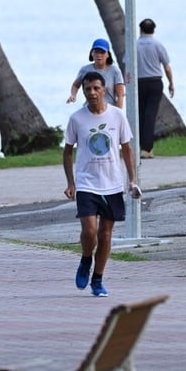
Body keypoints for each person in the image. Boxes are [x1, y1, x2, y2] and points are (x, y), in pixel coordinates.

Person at [63, 71, 138, 298]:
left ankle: (98, 279)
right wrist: (71, 182)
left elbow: (126, 149)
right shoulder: (77, 119)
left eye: (96, 88)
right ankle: (86, 259)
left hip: (112, 184)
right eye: (88, 89)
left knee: (105, 235)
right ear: (84, 92)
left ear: (104, 90)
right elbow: (67, 152)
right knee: (90, 230)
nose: (92, 93)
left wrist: (132, 179)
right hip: (87, 183)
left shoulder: (117, 116)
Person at [133, 18, 175, 159]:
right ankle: (147, 148)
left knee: (140, 114)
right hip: (155, 82)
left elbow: (128, 64)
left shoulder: (135, 45)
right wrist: (171, 83)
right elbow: (167, 66)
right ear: (154, 30)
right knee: (150, 114)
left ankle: (141, 146)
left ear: (140, 29)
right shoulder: (158, 45)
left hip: (139, 82)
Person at [67, 38, 126, 109]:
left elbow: (120, 95)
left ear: (108, 55)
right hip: (89, 110)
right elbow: (75, 85)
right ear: (92, 54)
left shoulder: (115, 71)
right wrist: (73, 95)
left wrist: (118, 114)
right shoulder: (85, 70)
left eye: (102, 52)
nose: (99, 55)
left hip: (108, 111)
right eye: (96, 52)